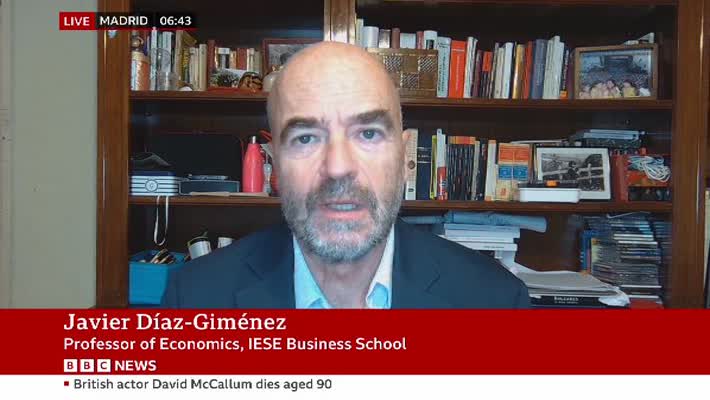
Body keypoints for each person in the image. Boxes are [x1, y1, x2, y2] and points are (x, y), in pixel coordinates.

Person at [161, 42, 529, 309]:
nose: (338, 167)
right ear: (276, 165)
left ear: (404, 158)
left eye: (368, 133)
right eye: (306, 137)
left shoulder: (495, 302)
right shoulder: (194, 300)